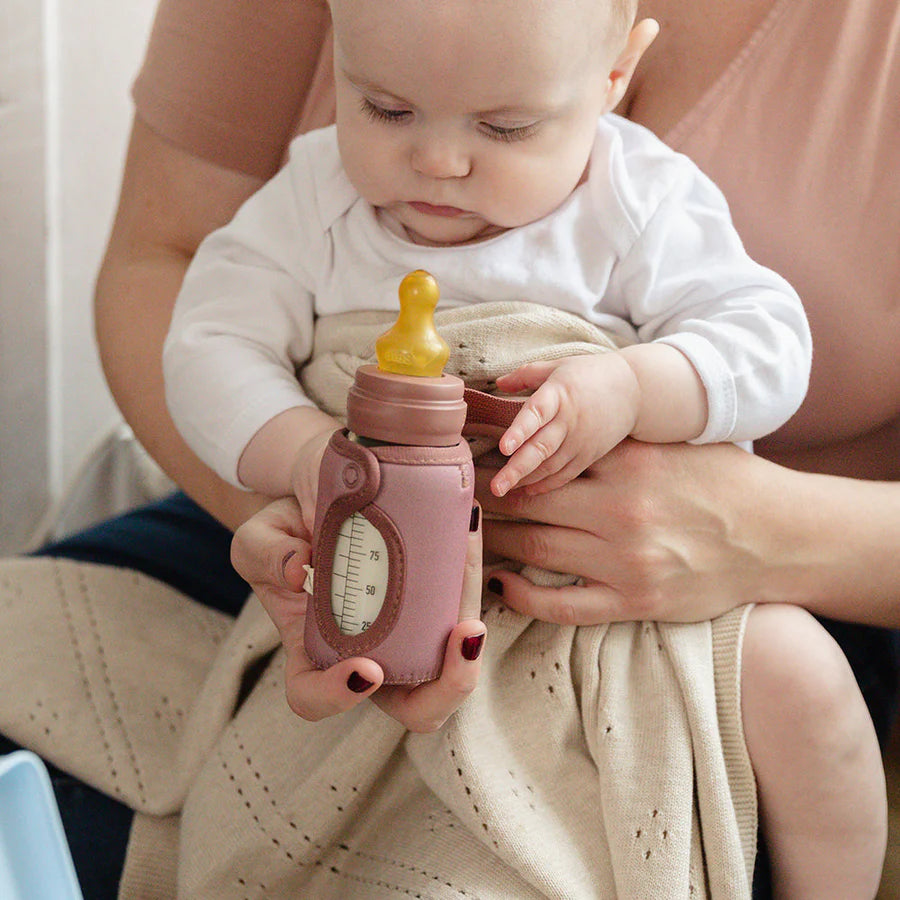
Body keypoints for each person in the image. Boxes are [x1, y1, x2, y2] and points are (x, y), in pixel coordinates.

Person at [0, 0, 896, 896]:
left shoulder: (638, 197)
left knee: (802, 683)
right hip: (366, 562)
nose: (436, 161)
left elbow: (769, 343)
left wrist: (632, 387)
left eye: (504, 127)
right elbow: (204, 345)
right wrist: (307, 461)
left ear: (615, 76)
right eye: (385, 109)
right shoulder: (317, 196)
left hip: (641, 593)